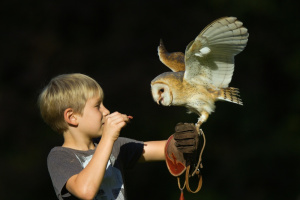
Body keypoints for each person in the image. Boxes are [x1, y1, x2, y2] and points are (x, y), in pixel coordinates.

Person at [38, 73, 199, 200]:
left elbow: (166, 149)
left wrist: (186, 140)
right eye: (97, 106)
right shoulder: (59, 156)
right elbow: (85, 191)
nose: (106, 111)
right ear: (72, 117)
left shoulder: (115, 146)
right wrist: (108, 138)